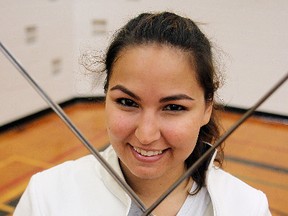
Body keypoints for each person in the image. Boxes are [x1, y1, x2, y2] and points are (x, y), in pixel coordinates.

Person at [14, 12, 271, 216]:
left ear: (207, 108)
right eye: (127, 102)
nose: (146, 135)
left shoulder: (247, 207)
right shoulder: (46, 196)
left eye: (173, 107)